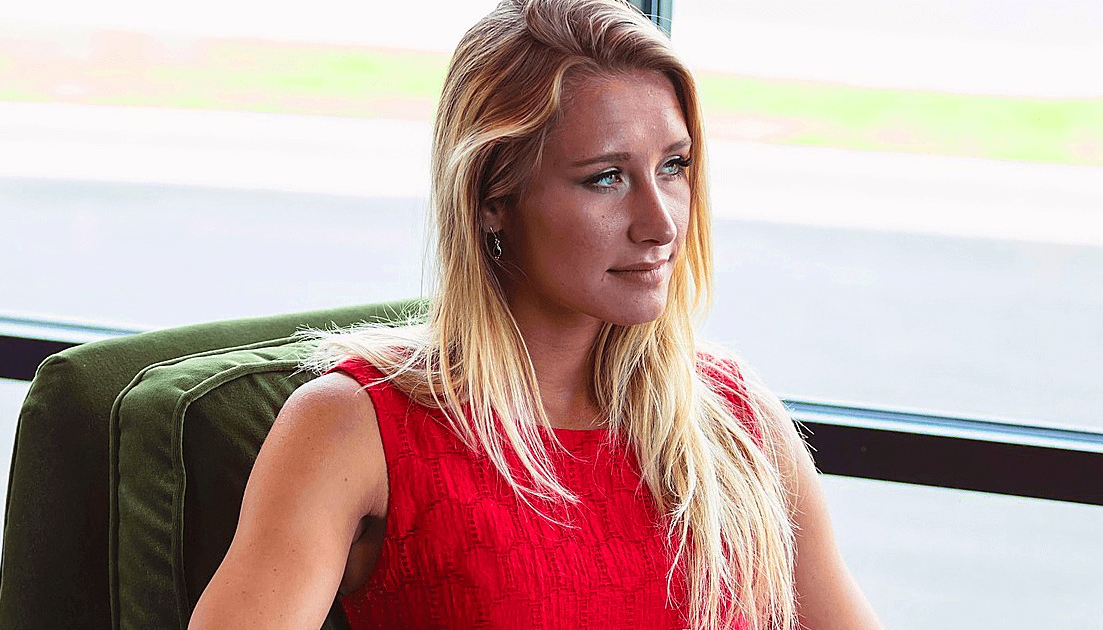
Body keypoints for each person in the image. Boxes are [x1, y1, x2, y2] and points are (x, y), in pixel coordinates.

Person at [188, 0, 882, 628]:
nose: (661, 224)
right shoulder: (353, 426)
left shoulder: (735, 418)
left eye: (674, 166)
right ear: (492, 199)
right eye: (606, 178)